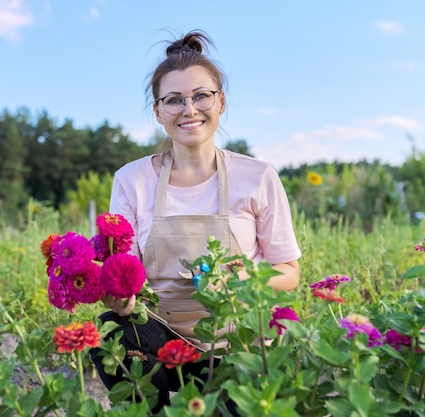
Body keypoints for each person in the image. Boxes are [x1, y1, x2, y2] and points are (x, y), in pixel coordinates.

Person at [90, 30, 301, 412]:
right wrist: (117, 296)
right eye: (174, 100)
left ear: (221, 102)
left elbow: (289, 271)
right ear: (158, 112)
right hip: (161, 333)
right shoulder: (131, 180)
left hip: (239, 338)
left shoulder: (257, 176)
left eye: (201, 96)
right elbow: (124, 270)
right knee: (112, 332)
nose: (189, 109)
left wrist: (243, 279)